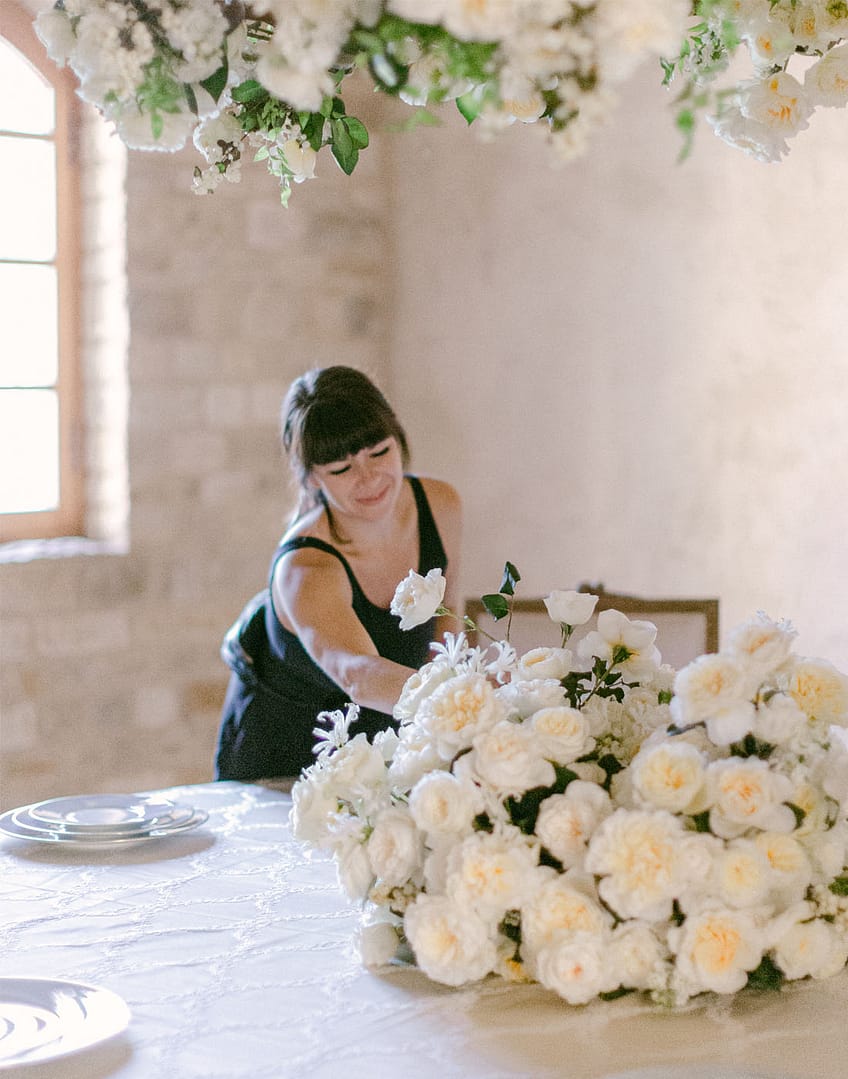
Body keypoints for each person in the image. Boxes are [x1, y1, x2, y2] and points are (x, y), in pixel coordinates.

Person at [214, 365, 462, 781]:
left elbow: (448, 613)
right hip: (285, 758)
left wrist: (449, 736)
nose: (369, 479)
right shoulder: (306, 566)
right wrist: (465, 706)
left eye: (379, 453)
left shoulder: (440, 504)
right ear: (312, 477)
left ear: (398, 438)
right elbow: (359, 674)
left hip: (386, 738)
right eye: (342, 470)